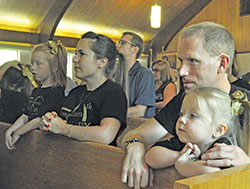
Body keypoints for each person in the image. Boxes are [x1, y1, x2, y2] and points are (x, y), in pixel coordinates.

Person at [120, 22, 250, 188]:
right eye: (181, 61)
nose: (181, 72)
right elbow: (136, 135)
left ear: (222, 64)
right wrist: (135, 147)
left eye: (193, 61)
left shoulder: (246, 101)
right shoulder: (185, 100)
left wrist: (247, 165)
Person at [41, 31, 128, 147]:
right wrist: (50, 122)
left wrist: (64, 128)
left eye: (82, 54)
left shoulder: (113, 93)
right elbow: (62, 123)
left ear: (102, 62)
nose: (75, 59)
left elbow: (105, 135)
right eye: (76, 53)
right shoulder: (75, 92)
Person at [146, 87, 249, 177]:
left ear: (218, 130)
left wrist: (182, 165)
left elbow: (212, 172)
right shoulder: (184, 142)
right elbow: (150, 156)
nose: (182, 119)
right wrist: (178, 155)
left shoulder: (221, 147)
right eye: (181, 114)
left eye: (193, 116)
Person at [5, 40, 67, 149]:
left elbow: (40, 120)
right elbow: (26, 116)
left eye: (38, 64)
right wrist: (10, 130)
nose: (32, 67)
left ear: (54, 67)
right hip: (33, 142)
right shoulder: (37, 90)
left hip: (45, 144)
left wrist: (19, 132)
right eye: (32, 63)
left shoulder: (56, 91)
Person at [116, 32, 155, 118]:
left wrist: (108, 113)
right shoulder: (116, 74)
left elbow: (139, 111)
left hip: (136, 128)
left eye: (123, 43)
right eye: (119, 42)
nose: (118, 46)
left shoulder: (145, 74)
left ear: (135, 50)